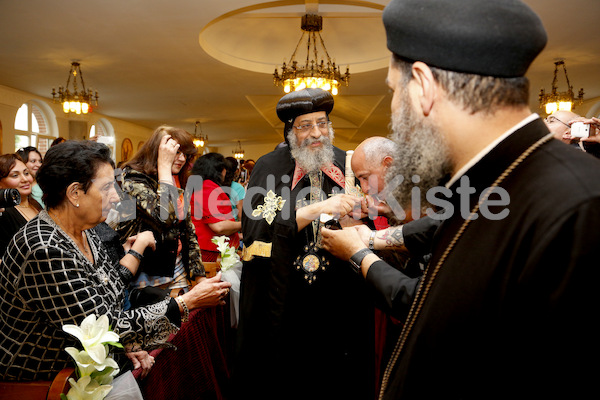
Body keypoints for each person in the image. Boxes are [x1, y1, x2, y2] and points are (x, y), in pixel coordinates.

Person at [322, 1, 600, 398]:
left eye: (392, 91)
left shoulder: (580, 207)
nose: (394, 110)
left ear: (423, 85)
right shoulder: (490, 183)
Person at [0, 140, 230, 382]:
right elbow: (105, 325)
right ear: (75, 193)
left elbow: (110, 292)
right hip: (42, 381)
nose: (116, 196)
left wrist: (127, 342)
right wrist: (186, 302)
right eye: (108, 187)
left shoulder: (85, 230)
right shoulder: (44, 248)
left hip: (78, 367)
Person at [235, 88, 374, 400]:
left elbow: (375, 221)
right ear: (289, 130)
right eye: (305, 125)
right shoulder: (269, 167)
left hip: (341, 298)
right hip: (286, 300)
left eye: (322, 123)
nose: (316, 133)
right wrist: (314, 209)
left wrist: (362, 218)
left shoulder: (347, 164)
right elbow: (255, 233)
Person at [114, 126, 232, 400]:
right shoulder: (132, 178)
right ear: (158, 150)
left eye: (184, 153)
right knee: (159, 349)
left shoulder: (177, 181)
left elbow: (186, 230)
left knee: (182, 340)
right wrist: (165, 169)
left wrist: (199, 277)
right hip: (144, 276)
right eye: (173, 151)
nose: (180, 158)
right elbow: (164, 216)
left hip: (176, 271)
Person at [190, 152, 241, 262]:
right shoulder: (208, 187)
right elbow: (219, 226)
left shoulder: (204, 186)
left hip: (211, 249)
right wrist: (245, 224)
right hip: (210, 252)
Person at [0, 154, 43, 256]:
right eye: (15, 175)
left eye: (26, 173)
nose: (25, 179)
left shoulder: (35, 204)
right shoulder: (4, 212)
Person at [224, 156, 245, 222]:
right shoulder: (238, 188)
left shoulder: (214, 185)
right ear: (237, 171)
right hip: (233, 227)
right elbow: (240, 216)